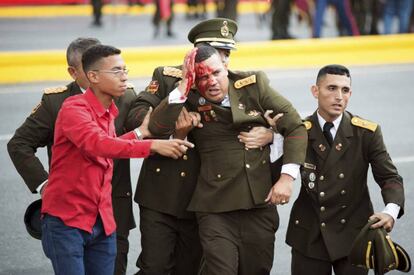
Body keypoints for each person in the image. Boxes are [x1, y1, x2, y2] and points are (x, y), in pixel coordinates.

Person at [126, 18, 277, 274]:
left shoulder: (239, 85)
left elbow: (280, 120)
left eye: (226, 53)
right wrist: (174, 127)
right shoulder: (167, 77)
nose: (222, 59)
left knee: (192, 267)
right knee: (156, 267)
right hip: (163, 193)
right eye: (216, 51)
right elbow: (136, 117)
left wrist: (271, 134)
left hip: (207, 199)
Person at [147, 45, 307, 274]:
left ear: (226, 66)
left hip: (258, 204)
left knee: (257, 269)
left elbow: (295, 126)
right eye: (202, 77)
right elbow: (156, 127)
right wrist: (183, 86)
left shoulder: (253, 85)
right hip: (215, 207)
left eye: (216, 73)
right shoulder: (188, 95)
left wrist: (286, 178)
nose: (211, 82)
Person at [40, 44, 193, 275]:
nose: (124, 77)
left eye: (125, 70)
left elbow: (109, 142)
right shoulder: (73, 109)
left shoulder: (108, 111)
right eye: (116, 71)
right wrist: (152, 145)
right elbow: (99, 145)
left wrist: (141, 133)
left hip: (103, 221)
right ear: (93, 76)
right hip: (68, 221)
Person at [9, 37, 134, 275]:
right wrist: (44, 184)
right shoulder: (57, 102)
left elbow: (144, 127)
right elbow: (19, 144)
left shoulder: (124, 96)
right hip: (71, 213)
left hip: (111, 210)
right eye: (89, 69)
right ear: (73, 72)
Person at [271, 64, 405, 275]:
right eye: (331, 88)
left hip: (353, 235)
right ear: (315, 91)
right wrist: (276, 138)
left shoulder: (366, 132)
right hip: (310, 235)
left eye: (345, 90)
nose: (339, 97)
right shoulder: (299, 131)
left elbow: (389, 177)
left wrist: (391, 211)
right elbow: (274, 176)